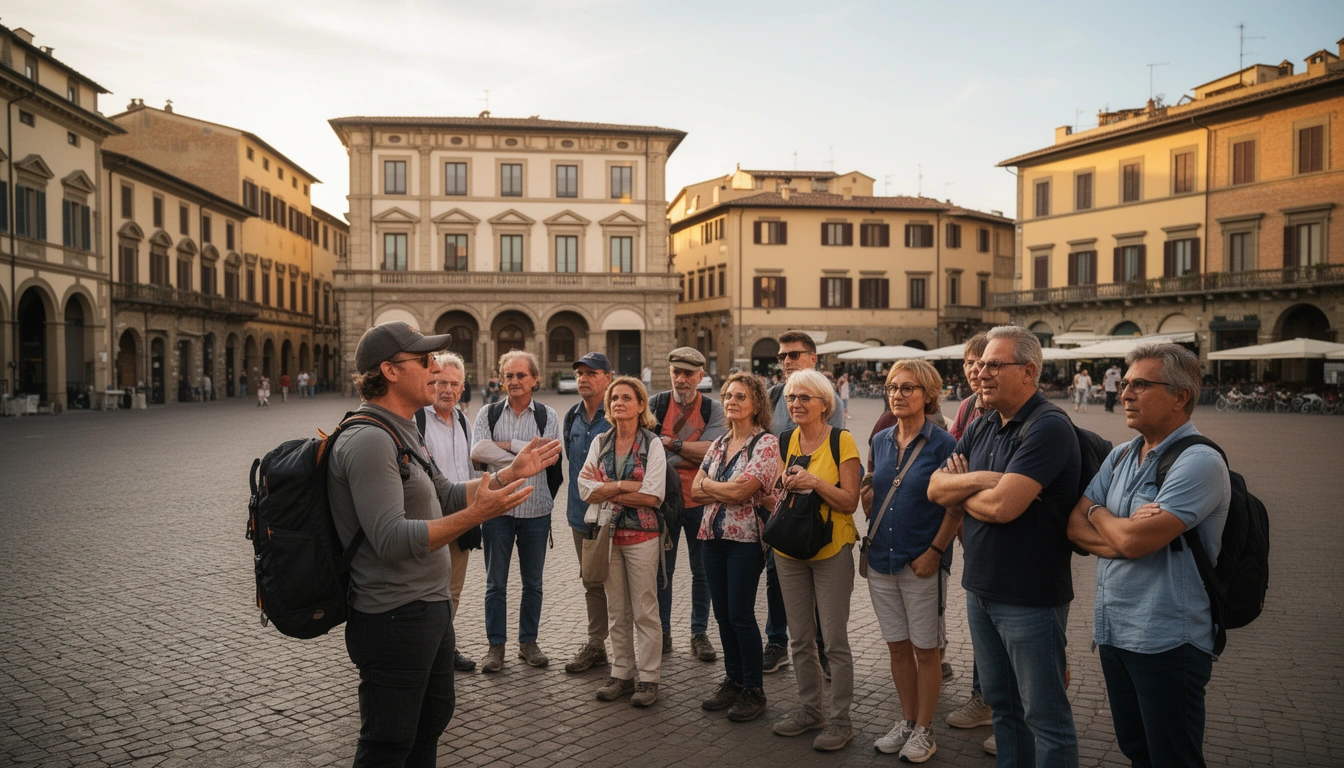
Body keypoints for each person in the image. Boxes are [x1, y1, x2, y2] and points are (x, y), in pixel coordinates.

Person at [329, 321, 559, 766]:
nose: (435, 369)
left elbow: (447, 492)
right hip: (393, 615)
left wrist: (511, 473)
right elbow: (393, 538)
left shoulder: (401, 432)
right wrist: (477, 516)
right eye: (424, 360)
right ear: (390, 371)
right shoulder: (371, 439)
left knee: (432, 718)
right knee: (388, 741)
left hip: (426, 608)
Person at [1068, 344, 1230, 767]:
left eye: (1141, 384)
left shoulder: (1200, 462)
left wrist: (1098, 513)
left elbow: (1133, 541)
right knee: (1137, 750)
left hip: (1167, 639)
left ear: (1181, 396)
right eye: (1125, 384)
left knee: (1172, 757)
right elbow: (1075, 526)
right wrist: (1117, 528)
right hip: (1114, 631)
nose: (1125, 394)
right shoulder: (1122, 454)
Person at [927, 325, 1081, 767]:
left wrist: (964, 488)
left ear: (1029, 371)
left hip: (1030, 597)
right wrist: (980, 480)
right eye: (979, 364)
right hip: (981, 590)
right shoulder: (983, 425)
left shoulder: (1049, 427)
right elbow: (936, 489)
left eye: (994, 364)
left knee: (1046, 717)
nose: (980, 372)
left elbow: (1003, 508)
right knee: (1004, 709)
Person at [862, 360, 960, 762]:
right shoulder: (881, 440)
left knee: (926, 650)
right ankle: (905, 721)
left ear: (928, 394)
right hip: (882, 559)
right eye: (892, 388)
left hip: (921, 560)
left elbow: (956, 508)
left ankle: (924, 729)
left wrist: (935, 553)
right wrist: (869, 495)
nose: (898, 395)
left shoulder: (945, 445)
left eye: (908, 388)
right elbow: (874, 483)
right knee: (898, 647)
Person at [770, 369, 862, 752]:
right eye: (792, 397)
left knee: (835, 641)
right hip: (788, 549)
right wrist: (784, 485)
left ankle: (841, 720)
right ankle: (811, 708)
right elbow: (778, 490)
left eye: (805, 397)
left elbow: (850, 501)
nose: (796, 404)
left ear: (826, 403)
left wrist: (814, 483)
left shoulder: (842, 441)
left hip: (830, 550)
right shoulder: (786, 438)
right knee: (799, 637)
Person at [690, 372, 779, 723]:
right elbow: (694, 491)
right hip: (712, 536)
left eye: (740, 396)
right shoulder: (719, 443)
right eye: (728, 396)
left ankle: (754, 689)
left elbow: (744, 492)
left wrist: (715, 486)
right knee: (723, 614)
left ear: (756, 402)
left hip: (745, 539)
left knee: (741, 614)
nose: (731, 402)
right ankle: (734, 678)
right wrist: (724, 487)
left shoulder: (766, 443)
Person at [470, 351, 562, 672]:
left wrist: (506, 447)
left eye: (521, 375)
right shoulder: (489, 412)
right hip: (497, 510)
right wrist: (523, 453)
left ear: (535, 379)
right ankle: (495, 646)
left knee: (533, 583)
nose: (514, 382)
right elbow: (478, 450)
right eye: (508, 376)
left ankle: (528, 643)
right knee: (495, 583)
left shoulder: (547, 415)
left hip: (537, 512)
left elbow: (548, 455)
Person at [577, 376, 667, 708]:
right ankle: (622, 673)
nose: (619, 403)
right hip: (607, 537)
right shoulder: (600, 441)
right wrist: (624, 486)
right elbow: (584, 489)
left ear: (641, 405)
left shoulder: (652, 443)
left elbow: (653, 495)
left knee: (645, 608)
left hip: (642, 535)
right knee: (617, 610)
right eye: (614, 398)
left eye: (627, 398)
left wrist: (608, 487)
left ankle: (649, 678)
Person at [763, 331, 844, 676]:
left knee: (818, 583)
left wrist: (806, 480)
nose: (786, 361)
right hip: (777, 504)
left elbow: (831, 450)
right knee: (775, 576)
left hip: (816, 507)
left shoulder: (829, 397)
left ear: (813, 358)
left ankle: (824, 648)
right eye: (782, 356)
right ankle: (777, 643)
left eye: (794, 355)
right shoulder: (773, 395)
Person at [652, 347, 725, 661]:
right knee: (662, 571)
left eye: (688, 374)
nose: (681, 380)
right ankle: (663, 634)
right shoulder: (655, 404)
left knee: (702, 571)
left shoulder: (713, 409)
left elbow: (712, 452)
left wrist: (669, 443)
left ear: (700, 376)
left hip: (699, 500)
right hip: (663, 501)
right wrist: (689, 451)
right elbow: (649, 454)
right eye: (676, 373)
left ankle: (699, 633)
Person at [942, 333, 996, 752]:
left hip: (1001, 533)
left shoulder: (1011, 414)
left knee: (1015, 626)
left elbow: (988, 480)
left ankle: (1008, 711)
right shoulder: (966, 408)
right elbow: (951, 468)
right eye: (969, 362)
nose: (975, 370)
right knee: (984, 620)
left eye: (983, 362)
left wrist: (963, 479)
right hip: (971, 533)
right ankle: (986, 699)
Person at [418, 352, 483, 672]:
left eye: (455, 384)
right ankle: (425, 652)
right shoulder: (416, 419)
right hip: (428, 519)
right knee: (425, 590)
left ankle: (444, 647)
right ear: (431, 382)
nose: (448, 390)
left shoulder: (461, 419)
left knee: (452, 590)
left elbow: (467, 468)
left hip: (461, 516)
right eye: (441, 382)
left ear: (462, 388)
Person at [562, 352, 615, 674]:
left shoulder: (620, 412)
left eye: (591, 373)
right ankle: (597, 644)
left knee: (622, 584)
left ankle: (628, 650)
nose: (583, 378)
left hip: (615, 514)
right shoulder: (572, 416)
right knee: (591, 581)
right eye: (580, 373)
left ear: (608, 377)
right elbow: (574, 463)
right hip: (580, 513)